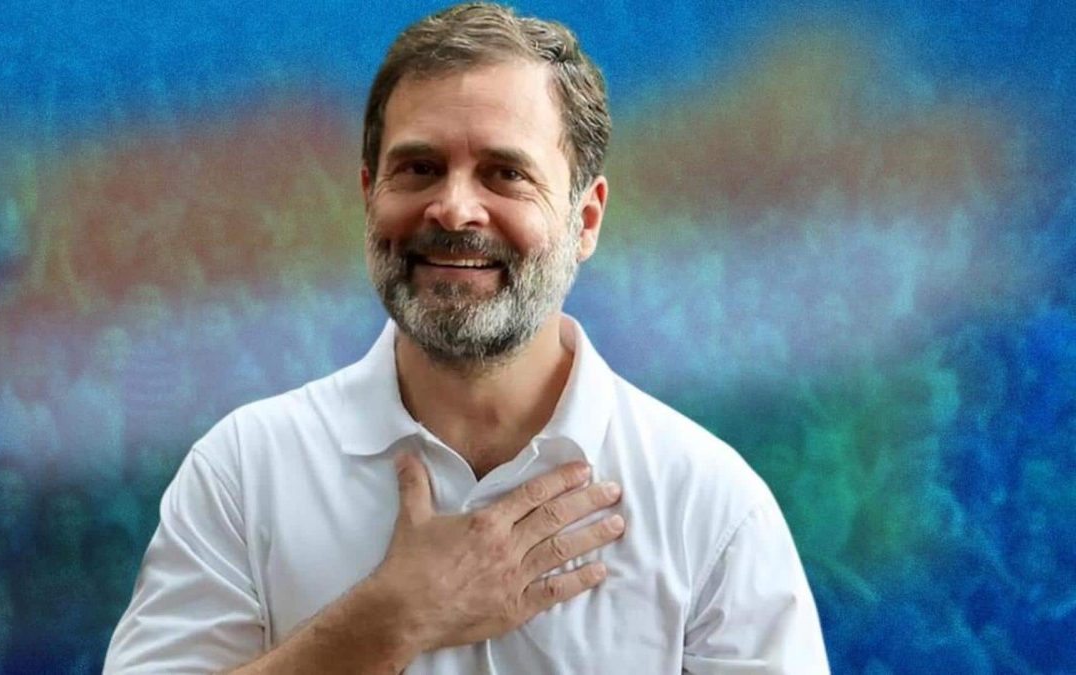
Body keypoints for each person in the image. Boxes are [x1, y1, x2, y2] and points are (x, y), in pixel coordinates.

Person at [106, 3, 829, 672]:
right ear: (369, 194)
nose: (453, 209)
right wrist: (389, 619)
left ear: (585, 220)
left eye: (505, 173)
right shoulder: (242, 473)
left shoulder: (711, 508)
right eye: (419, 169)